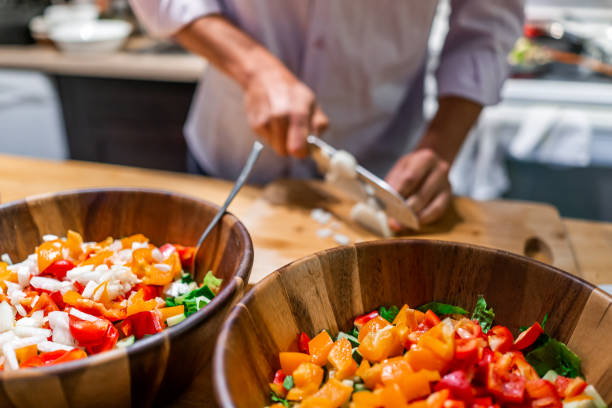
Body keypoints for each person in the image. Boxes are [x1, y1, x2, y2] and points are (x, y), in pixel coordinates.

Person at [129, 1, 524, 226]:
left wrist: (439, 150)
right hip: (230, 155)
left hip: (382, 176)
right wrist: (252, 67)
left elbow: (487, 27)